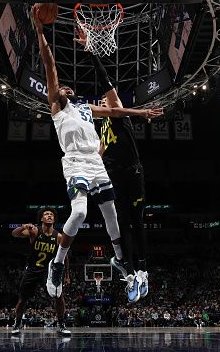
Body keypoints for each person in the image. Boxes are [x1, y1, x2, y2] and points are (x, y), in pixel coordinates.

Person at [31, 4, 163, 301]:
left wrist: (140, 112)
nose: (64, 87)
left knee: (112, 215)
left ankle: (123, 266)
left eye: (66, 87)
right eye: (60, 88)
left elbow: (115, 111)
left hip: (96, 163)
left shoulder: (84, 108)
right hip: (75, 162)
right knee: (79, 212)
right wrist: (41, 32)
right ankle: (58, 263)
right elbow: (49, 65)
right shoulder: (57, 106)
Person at [73, 28, 150, 303]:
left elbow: (105, 79)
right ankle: (130, 272)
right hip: (116, 176)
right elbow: (98, 154)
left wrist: (90, 50)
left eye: (106, 99)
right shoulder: (103, 127)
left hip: (134, 171)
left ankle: (143, 270)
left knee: (138, 221)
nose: (104, 100)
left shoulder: (117, 114)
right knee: (123, 224)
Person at [11, 207, 71, 336]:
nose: (49, 216)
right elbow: (14, 234)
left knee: (58, 296)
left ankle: (61, 324)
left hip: (49, 271)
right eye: (46, 214)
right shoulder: (34, 231)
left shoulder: (59, 237)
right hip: (33, 269)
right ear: (42, 219)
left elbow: (65, 257)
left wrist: (66, 275)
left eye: (51, 215)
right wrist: (22, 227)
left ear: (54, 219)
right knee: (23, 299)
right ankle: (17, 323)